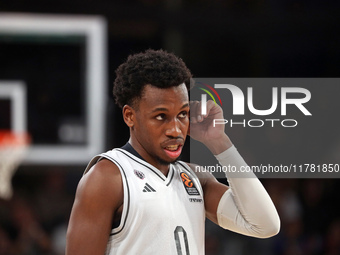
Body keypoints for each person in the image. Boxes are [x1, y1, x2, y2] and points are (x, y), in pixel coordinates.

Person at [66, 49, 280, 255]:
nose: (175, 130)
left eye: (183, 114)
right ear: (130, 116)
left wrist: (219, 143)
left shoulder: (194, 178)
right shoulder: (108, 177)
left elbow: (265, 225)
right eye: (161, 116)